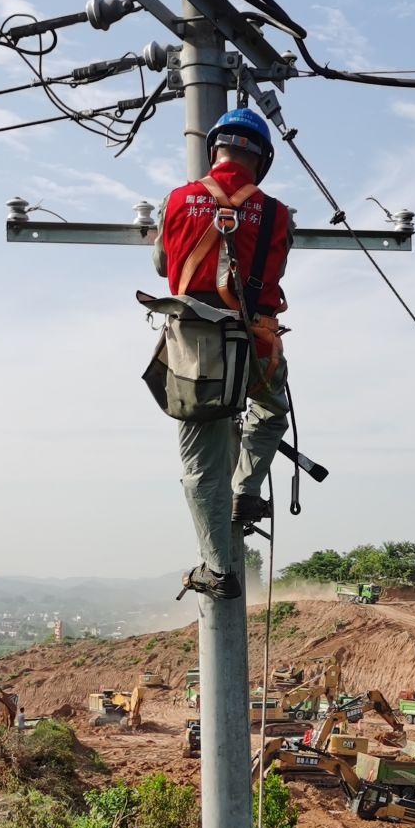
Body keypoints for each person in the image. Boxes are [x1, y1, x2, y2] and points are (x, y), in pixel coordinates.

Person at [154, 106, 294, 602]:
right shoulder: (277, 213)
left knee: (199, 464)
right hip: (253, 344)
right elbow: (276, 264)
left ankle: (216, 568)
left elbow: (161, 264)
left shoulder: (177, 199)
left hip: (195, 352)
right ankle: (246, 492)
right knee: (272, 412)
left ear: (215, 150)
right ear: (262, 159)